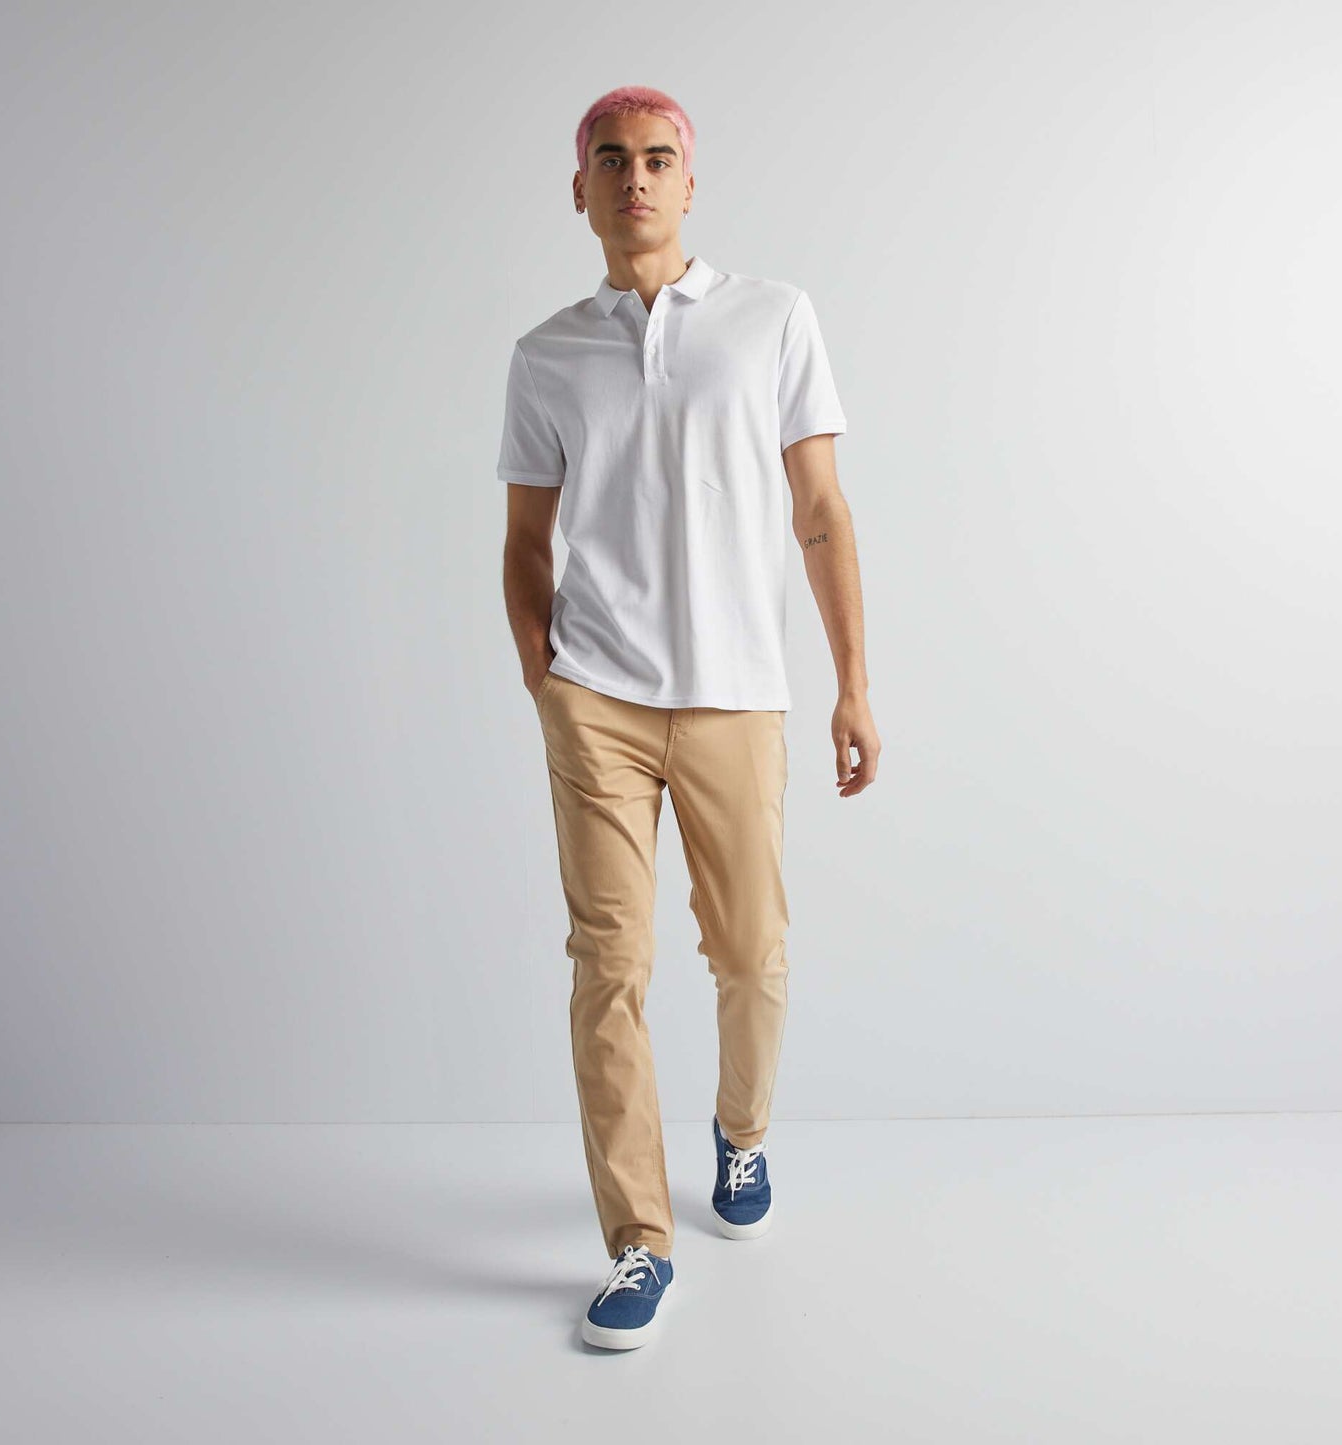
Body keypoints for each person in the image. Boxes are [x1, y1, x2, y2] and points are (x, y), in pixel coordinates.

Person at [498, 84, 879, 1350]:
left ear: (689, 182)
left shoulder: (772, 318)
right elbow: (524, 538)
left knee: (752, 955)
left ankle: (740, 1131)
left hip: (737, 695)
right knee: (608, 967)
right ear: (580, 190)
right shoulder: (546, 354)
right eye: (610, 160)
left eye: (657, 158)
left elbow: (819, 511)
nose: (635, 178)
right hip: (596, 703)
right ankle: (635, 1240)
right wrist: (547, 677)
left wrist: (852, 682)